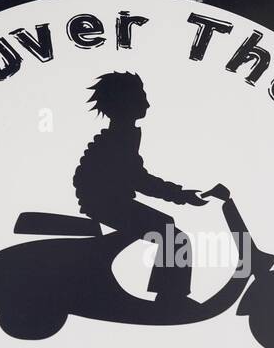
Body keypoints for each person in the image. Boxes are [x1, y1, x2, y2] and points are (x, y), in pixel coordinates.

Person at [73, 72, 207, 304]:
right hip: (105, 203)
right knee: (174, 237)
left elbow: (134, 177)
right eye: (140, 97)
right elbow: (139, 179)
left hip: (108, 201)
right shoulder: (119, 139)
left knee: (169, 229)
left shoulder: (123, 136)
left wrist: (181, 195)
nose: (146, 103)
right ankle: (170, 298)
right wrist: (181, 196)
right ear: (123, 103)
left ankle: (168, 294)